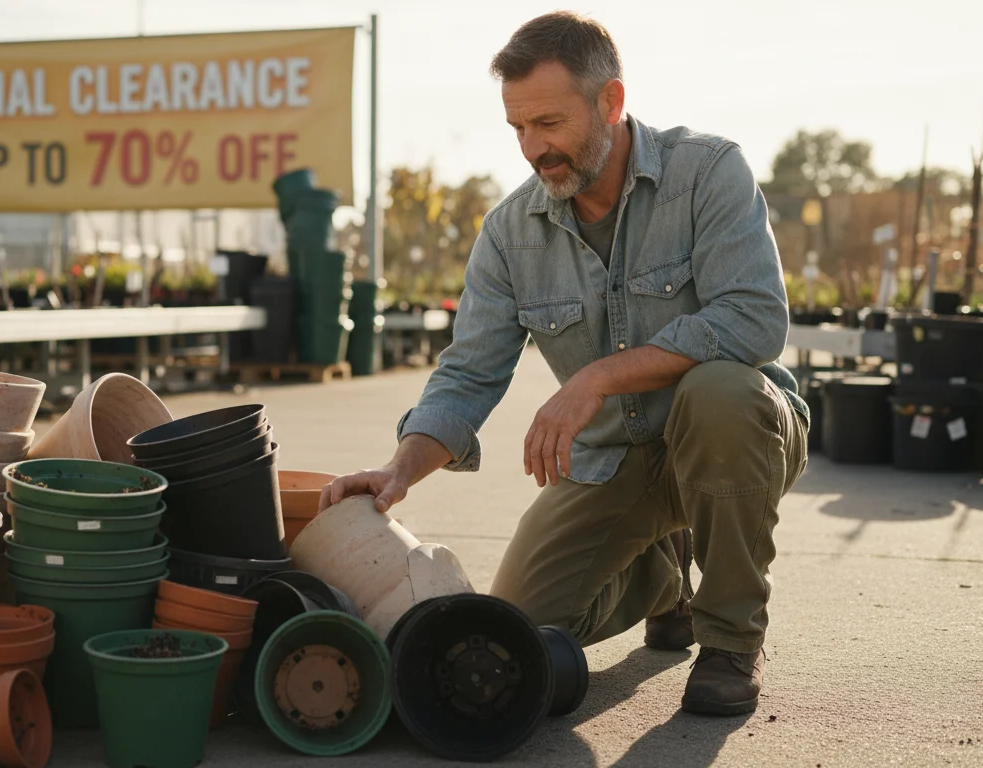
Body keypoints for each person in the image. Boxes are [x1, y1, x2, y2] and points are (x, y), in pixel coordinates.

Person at [319, 11, 809, 716]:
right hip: (620, 458)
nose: (532, 148)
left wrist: (600, 376)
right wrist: (400, 468)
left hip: (737, 434)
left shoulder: (708, 171)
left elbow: (755, 320)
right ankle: (667, 577)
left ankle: (729, 638)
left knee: (721, 389)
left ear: (610, 101)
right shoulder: (510, 233)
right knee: (516, 629)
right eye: (517, 128)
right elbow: (469, 372)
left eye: (548, 123)